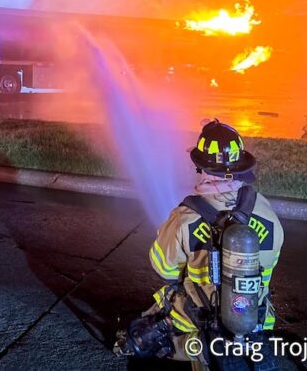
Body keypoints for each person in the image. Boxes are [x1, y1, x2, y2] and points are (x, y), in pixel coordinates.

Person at [115, 120, 284, 366]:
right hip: (255, 320)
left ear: (201, 167)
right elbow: (270, 265)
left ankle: (195, 350)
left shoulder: (186, 217)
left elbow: (164, 268)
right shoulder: (266, 213)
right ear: (240, 166)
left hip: (200, 321)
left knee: (144, 335)